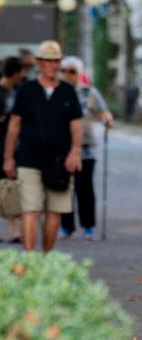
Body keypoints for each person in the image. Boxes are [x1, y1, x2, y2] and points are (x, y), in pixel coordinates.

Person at [2, 40, 82, 253]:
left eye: (56, 61)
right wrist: (8, 157)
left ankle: (46, 258)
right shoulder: (26, 90)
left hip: (60, 162)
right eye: (48, 61)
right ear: (39, 62)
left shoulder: (68, 92)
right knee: (30, 210)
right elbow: (14, 125)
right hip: (29, 159)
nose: (53, 65)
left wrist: (75, 151)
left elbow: (76, 125)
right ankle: (31, 259)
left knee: (54, 211)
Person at [57, 56, 113, 241]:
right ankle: (67, 227)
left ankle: (89, 226)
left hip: (86, 149)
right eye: (63, 71)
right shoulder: (56, 93)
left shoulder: (89, 93)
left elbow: (103, 112)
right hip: (62, 149)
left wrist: (106, 120)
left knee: (84, 187)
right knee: (64, 188)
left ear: (79, 74)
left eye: (71, 71)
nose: (67, 75)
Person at [0, 56, 25, 242]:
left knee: (13, 186)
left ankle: (14, 230)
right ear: (16, 73)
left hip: (13, 146)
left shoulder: (17, 92)